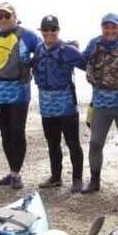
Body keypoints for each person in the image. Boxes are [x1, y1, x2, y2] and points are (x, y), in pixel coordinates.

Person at [0, 2, 41, 189]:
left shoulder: (27, 35)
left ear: (15, 16)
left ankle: (16, 173)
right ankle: (12, 170)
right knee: (5, 133)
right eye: (0, 16)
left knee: (17, 132)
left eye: (7, 16)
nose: (3, 20)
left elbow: (44, 48)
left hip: (19, 91)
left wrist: (66, 46)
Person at [78, 13, 118, 196]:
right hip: (100, 105)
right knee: (96, 143)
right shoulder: (94, 44)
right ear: (102, 28)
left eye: (114, 27)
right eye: (106, 27)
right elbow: (82, 61)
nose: (110, 31)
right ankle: (94, 181)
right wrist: (69, 48)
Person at [32, 15, 85, 192]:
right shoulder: (38, 48)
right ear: (41, 31)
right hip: (46, 103)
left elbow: (89, 65)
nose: (49, 32)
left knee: (72, 142)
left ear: (58, 30)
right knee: (52, 142)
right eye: (45, 29)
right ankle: (56, 177)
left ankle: (77, 179)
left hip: (66, 103)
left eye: (52, 29)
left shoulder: (68, 50)